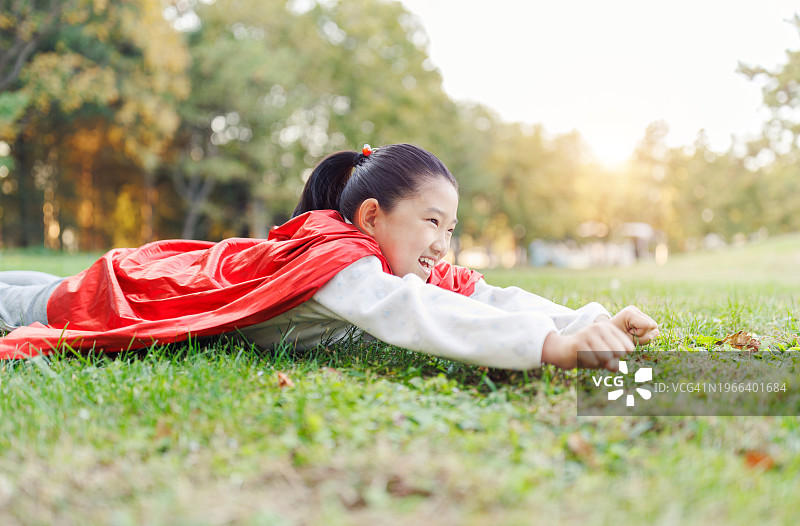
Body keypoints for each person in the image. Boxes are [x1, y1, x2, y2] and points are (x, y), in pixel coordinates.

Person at [0, 143, 659, 369]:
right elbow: (415, 316)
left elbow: (478, 296)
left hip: (159, 272)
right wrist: (549, 347)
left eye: (450, 228)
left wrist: (580, 321)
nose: (442, 244)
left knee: (37, 286)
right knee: (36, 302)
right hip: (142, 290)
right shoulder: (344, 264)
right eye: (432, 222)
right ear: (373, 217)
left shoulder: (394, 259)